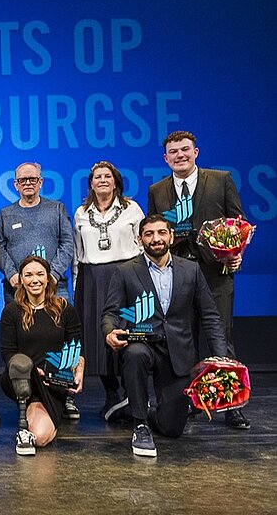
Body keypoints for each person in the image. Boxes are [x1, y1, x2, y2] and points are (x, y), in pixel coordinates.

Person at [103, 215, 230, 457]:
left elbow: (210, 315)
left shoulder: (191, 270)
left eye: (161, 233)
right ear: (140, 239)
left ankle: (135, 408)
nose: (156, 239)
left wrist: (221, 358)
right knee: (135, 354)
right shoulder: (125, 271)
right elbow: (111, 312)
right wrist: (109, 331)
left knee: (172, 428)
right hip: (142, 343)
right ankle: (139, 424)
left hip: (178, 350)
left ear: (171, 236)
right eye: (149, 234)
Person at [147, 130, 248, 429]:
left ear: (196, 152)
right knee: (182, 342)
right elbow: (154, 230)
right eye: (174, 152)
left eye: (185, 150)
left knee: (222, 339)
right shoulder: (158, 189)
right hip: (177, 277)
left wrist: (235, 253)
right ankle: (191, 400)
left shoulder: (220, 180)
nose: (180, 155)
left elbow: (237, 224)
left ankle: (232, 405)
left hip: (215, 274)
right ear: (166, 158)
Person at [0, 162, 77, 419]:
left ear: (41, 182)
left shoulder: (56, 209)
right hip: (18, 289)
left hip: (55, 288)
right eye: (23, 180)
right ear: (15, 185)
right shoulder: (5, 214)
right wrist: (13, 274)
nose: (28, 183)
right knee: (25, 343)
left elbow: (67, 242)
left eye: (33, 179)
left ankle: (67, 394)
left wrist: (51, 274)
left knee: (63, 342)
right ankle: (28, 393)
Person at [72, 162, 143, 420]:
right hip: (92, 279)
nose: (102, 180)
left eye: (107, 176)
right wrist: (78, 286)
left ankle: (130, 391)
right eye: (97, 177)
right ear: (91, 183)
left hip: (125, 275)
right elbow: (78, 254)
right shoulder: (81, 213)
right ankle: (111, 394)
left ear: (116, 182)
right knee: (96, 336)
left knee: (124, 331)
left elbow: (143, 244)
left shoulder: (132, 209)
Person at [0, 256, 84, 456]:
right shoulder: (11, 311)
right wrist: (30, 370)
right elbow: (8, 353)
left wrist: (78, 371)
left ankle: (40, 417)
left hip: (53, 381)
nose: (34, 280)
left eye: (40, 274)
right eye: (28, 275)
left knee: (40, 438)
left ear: (48, 279)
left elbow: (76, 348)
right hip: (22, 377)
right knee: (21, 364)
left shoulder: (65, 309)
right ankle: (24, 416)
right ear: (21, 279)